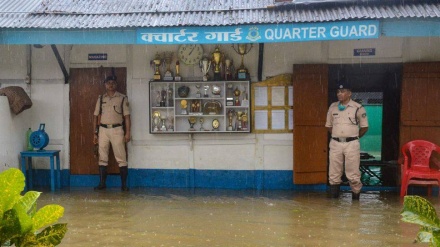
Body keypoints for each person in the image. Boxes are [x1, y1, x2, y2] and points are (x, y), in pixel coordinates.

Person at [325, 84, 368, 200]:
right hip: (335, 143)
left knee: (353, 173)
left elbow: (364, 127)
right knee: (334, 173)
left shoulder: (358, 107)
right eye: (338, 91)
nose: (339, 94)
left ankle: (355, 201)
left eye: (342, 91)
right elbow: (329, 126)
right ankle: (334, 202)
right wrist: (338, 135)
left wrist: (353, 137)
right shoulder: (333, 107)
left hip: (352, 144)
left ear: (349, 93)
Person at [93, 75, 131, 191]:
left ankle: (124, 185)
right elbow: (95, 116)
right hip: (103, 130)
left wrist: (128, 133)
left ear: (116, 84)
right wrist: (95, 133)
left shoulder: (122, 98)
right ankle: (102, 183)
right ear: (105, 84)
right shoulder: (100, 98)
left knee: (121, 158)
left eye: (113, 82)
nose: (110, 85)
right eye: (108, 82)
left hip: (117, 129)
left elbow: (127, 117)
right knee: (102, 157)